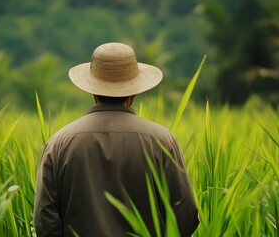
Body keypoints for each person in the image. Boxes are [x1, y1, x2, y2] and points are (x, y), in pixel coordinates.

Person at [33, 42, 199, 236]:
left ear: (92, 91)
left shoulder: (59, 143)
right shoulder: (162, 141)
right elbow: (186, 214)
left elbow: (45, 219)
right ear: (134, 92)